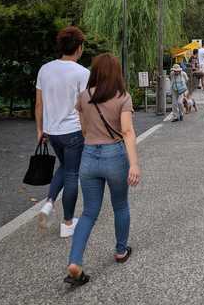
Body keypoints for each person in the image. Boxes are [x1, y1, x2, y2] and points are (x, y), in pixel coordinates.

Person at [65, 53, 141, 286]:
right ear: (116, 72)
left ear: (95, 71)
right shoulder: (122, 97)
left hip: (89, 156)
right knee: (120, 205)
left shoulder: (83, 97)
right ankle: (120, 250)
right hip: (114, 156)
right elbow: (127, 132)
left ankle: (75, 261)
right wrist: (134, 164)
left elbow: (84, 129)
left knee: (88, 212)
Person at [36, 26, 89, 238]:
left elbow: (39, 104)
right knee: (72, 174)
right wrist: (88, 132)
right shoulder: (82, 73)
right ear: (78, 48)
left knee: (65, 166)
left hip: (52, 131)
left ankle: (48, 203)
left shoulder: (45, 69)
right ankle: (67, 223)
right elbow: (85, 106)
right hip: (74, 131)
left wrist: (40, 129)